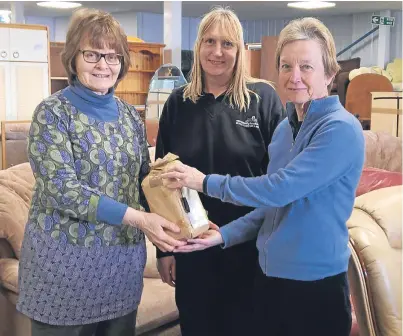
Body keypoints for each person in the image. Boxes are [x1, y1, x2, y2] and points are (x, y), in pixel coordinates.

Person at [162, 17, 365, 336]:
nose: (295, 76)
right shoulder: (286, 128)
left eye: (306, 67)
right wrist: (221, 236)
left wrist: (202, 181)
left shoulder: (339, 129)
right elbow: (274, 211)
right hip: (269, 279)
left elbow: (278, 190)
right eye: (286, 66)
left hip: (314, 285)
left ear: (329, 73)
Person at [17, 8, 184, 336]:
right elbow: (61, 189)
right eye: (92, 54)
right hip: (62, 273)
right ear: (73, 58)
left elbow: (141, 181)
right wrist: (139, 219)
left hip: (121, 270)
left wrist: (175, 190)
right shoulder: (52, 114)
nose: (103, 65)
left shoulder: (128, 116)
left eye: (112, 56)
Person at [155, 7, 285, 336]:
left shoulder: (263, 100)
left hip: (251, 247)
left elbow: (280, 182)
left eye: (227, 43)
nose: (217, 52)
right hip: (193, 248)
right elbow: (162, 183)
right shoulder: (177, 104)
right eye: (209, 41)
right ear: (198, 47)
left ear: (239, 50)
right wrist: (164, 249)